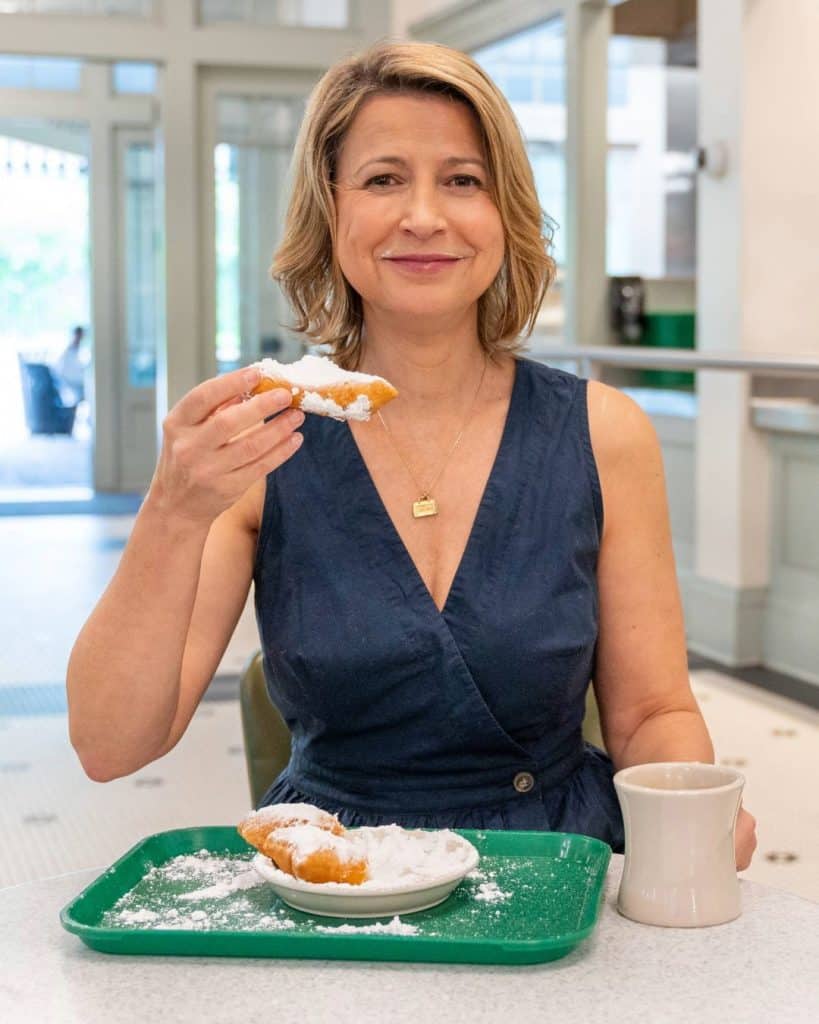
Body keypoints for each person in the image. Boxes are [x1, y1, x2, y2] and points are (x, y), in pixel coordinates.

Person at [66, 41, 757, 869]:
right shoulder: (262, 439)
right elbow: (111, 745)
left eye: (462, 180)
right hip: (335, 884)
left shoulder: (604, 433)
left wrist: (686, 801)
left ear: (505, 211)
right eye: (383, 179)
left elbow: (649, 713)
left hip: (555, 868)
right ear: (330, 207)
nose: (423, 216)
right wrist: (172, 511)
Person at [53, 325, 88, 405]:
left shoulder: (79, 351)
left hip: (75, 385)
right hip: (70, 387)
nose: (80, 339)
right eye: (79, 336)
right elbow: (63, 372)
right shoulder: (66, 352)